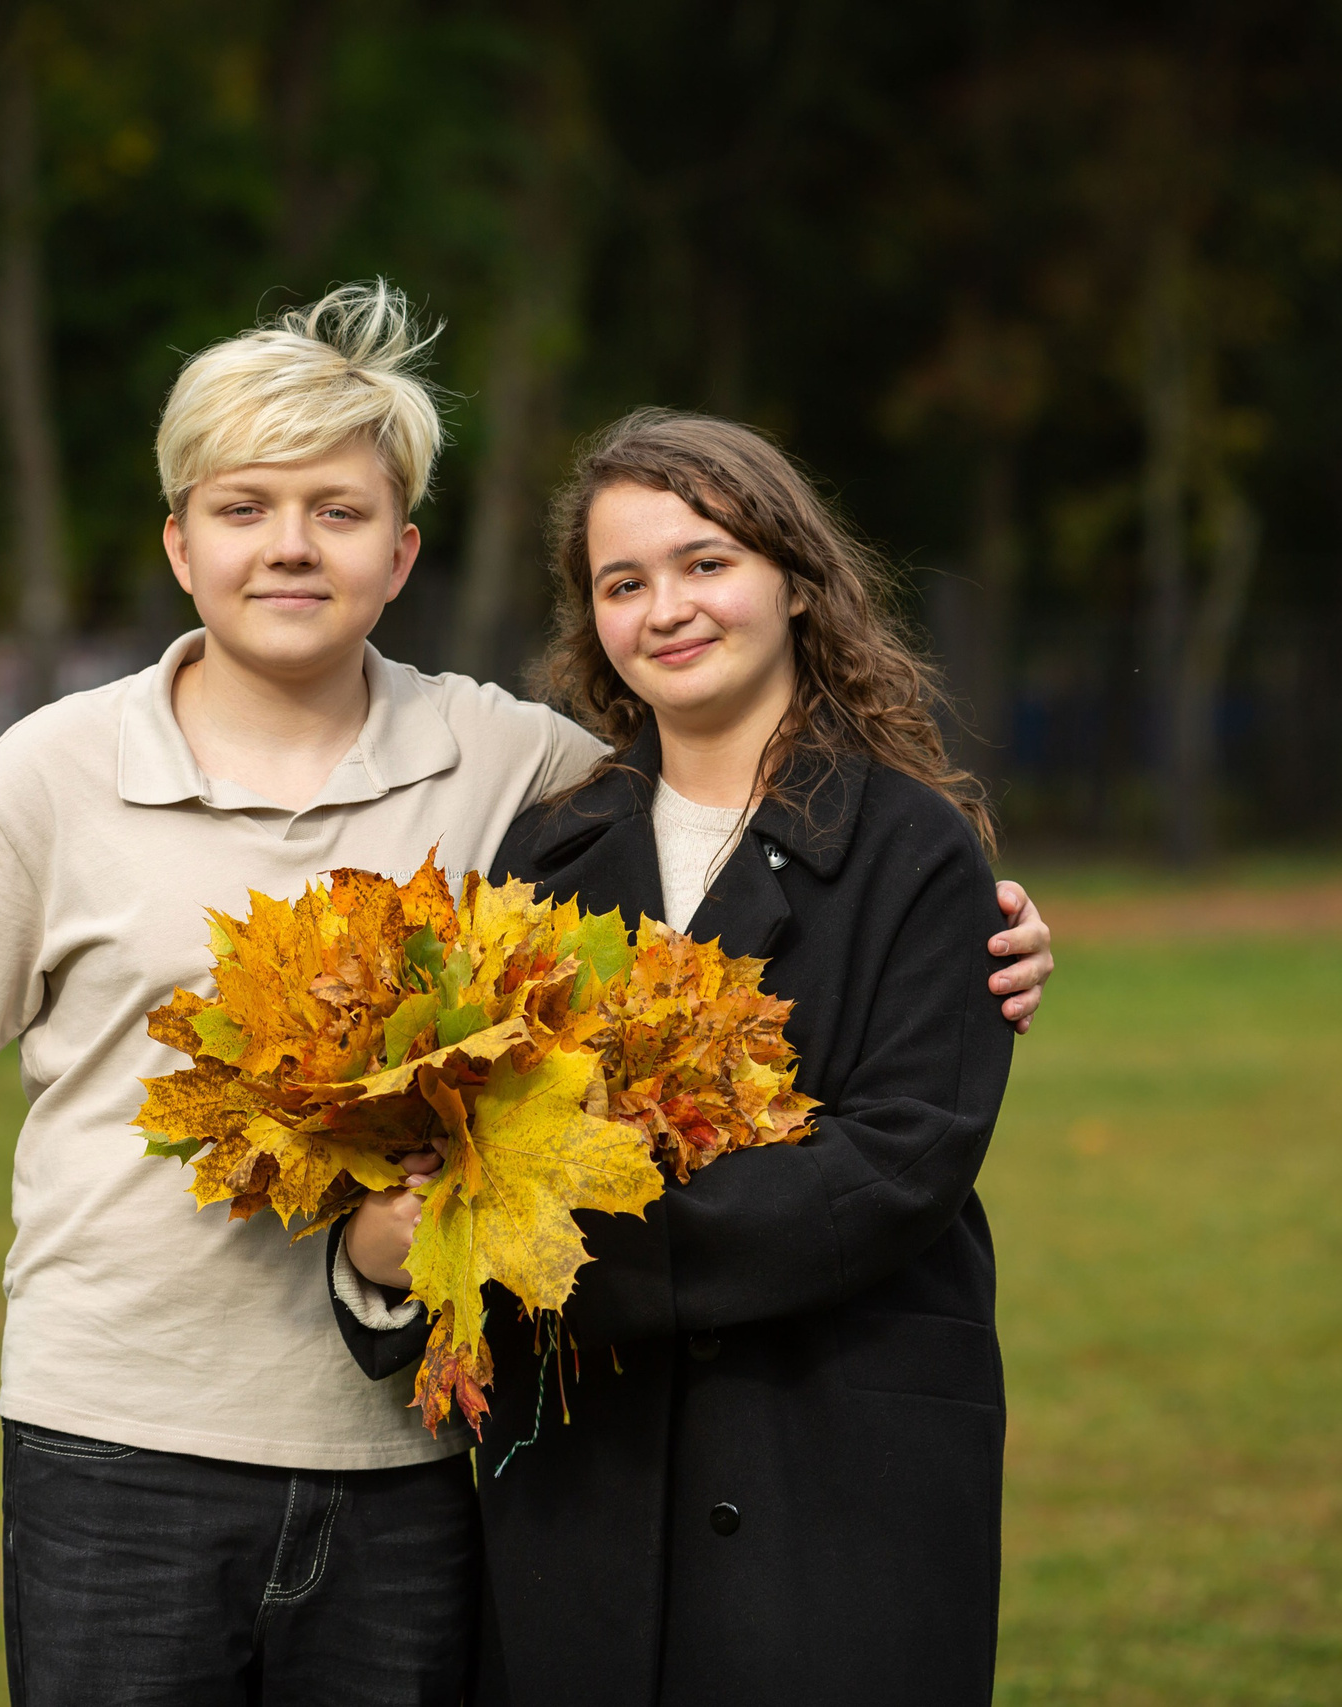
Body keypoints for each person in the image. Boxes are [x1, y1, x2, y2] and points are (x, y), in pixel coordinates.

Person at [0, 294, 1056, 1707]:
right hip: (118, 1443)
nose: (292, 548)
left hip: (411, 1458)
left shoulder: (517, 772)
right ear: (182, 544)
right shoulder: (51, 775)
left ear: (401, 553)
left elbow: (747, 826)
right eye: (244, 510)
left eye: (340, 512)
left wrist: (977, 930)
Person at [338, 409, 1024, 1707]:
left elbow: (898, 1163)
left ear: (793, 577)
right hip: (590, 1489)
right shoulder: (545, 858)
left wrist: (560, 1247)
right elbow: (467, 1135)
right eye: (624, 582)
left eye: (706, 562)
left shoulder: (914, 844)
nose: (669, 607)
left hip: (834, 1469)